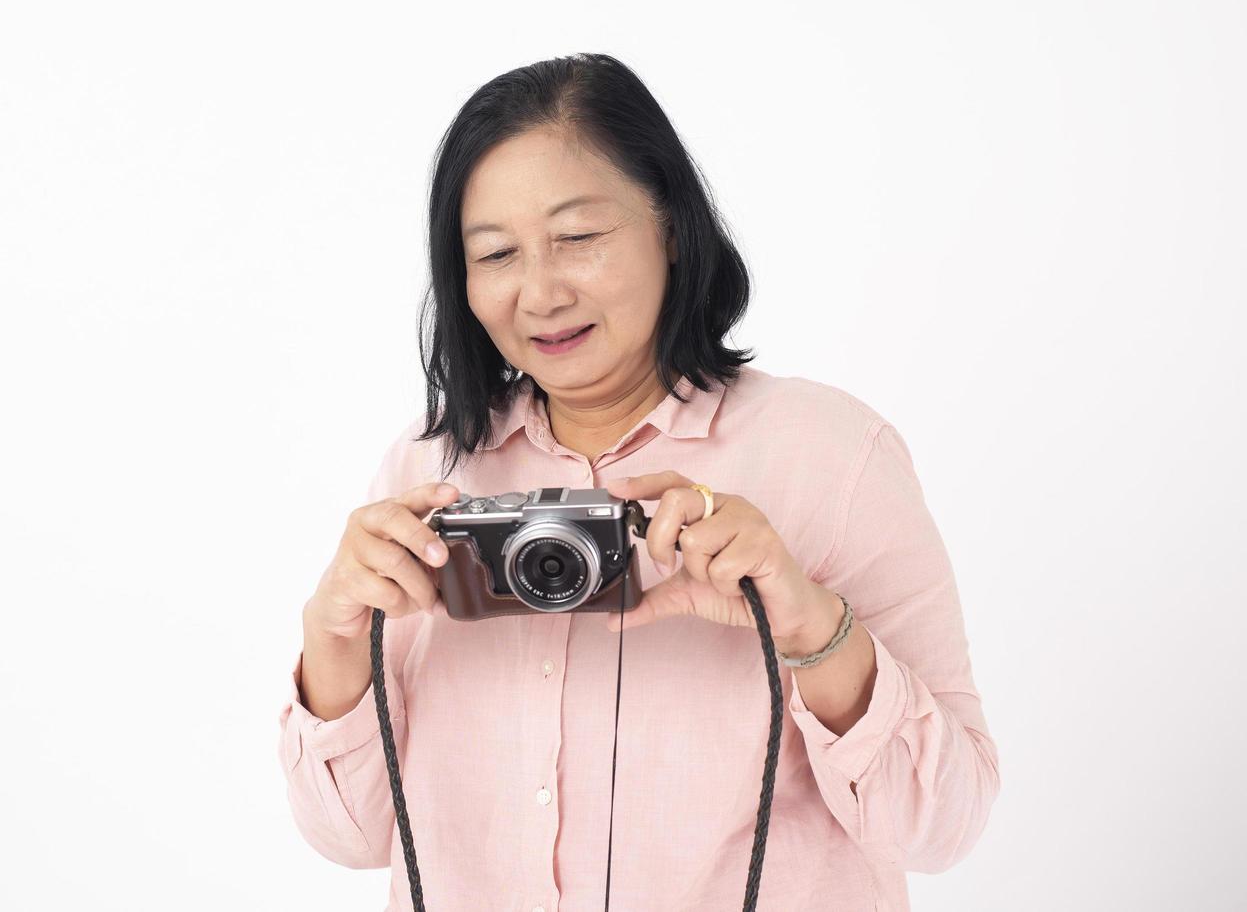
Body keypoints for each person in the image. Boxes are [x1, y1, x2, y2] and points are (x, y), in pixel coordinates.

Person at [277, 52, 999, 911]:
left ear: (669, 224)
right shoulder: (427, 470)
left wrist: (811, 629)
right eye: (496, 253)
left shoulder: (828, 454)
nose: (540, 292)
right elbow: (350, 837)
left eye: (578, 238)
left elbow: (942, 827)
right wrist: (331, 642)